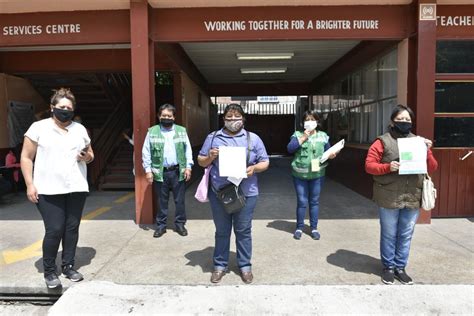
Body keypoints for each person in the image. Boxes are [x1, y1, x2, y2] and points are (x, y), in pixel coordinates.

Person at [21, 88, 94, 289]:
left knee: (71, 228)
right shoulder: (38, 128)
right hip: (48, 188)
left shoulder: (80, 129)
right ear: (52, 107)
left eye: (69, 108)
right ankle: (50, 271)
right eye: (61, 107)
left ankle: (68, 266)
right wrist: (29, 184)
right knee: (54, 229)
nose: (65, 110)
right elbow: (26, 157)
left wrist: (86, 156)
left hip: (76, 186)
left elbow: (90, 154)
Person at [365, 104, 438, 285]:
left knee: (406, 233)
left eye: (408, 120)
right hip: (388, 195)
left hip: (413, 194)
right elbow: (369, 165)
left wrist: (427, 151)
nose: (404, 122)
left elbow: (433, 167)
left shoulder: (418, 141)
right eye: (400, 119)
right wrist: (387, 167)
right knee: (389, 233)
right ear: (392, 121)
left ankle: (400, 267)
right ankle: (388, 267)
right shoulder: (382, 141)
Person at [198, 103, 269, 284]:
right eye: (228, 117)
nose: (232, 120)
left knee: (243, 230)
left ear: (243, 118)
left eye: (236, 117)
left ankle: (245, 266)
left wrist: (254, 168)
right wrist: (210, 157)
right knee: (222, 231)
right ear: (223, 119)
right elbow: (201, 161)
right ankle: (219, 266)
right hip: (219, 192)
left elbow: (265, 162)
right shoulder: (213, 137)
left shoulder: (253, 139)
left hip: (246, 192)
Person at [142, 104, 193, 238]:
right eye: (163, 115)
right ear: (159, 116)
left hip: (178, 171)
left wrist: (188, 167)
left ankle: (180, 224)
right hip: (160, 172)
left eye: (169, 116)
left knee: (179, 200)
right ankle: (161, 226)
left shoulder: (181, 131)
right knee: (161, 201)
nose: (166, 118)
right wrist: (148, 171)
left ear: (174, 117)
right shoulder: (152, 131)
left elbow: (188, 150)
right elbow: (146, 152)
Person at [287, 110, 337, 240]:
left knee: (314, 201)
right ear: (303, 123)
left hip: (317, 174)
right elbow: (290, 149)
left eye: (312, 119)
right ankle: (299, 227)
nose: (310, 122)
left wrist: (331, 155)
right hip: (299, 175)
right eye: (307, 120)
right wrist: (303, 137)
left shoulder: (323, 136)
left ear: (317, 122)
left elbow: (329, 150)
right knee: (302, 201)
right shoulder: (297, 134)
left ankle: (314, 228)